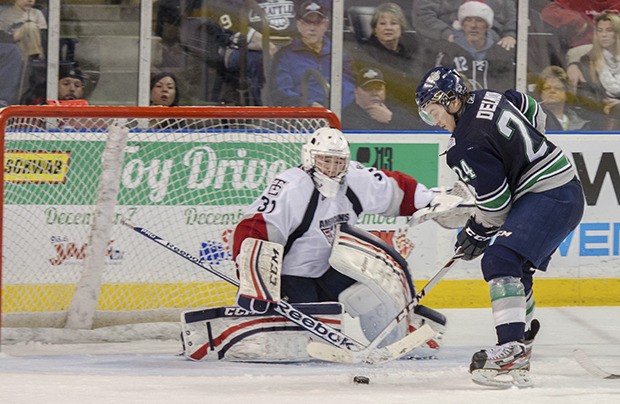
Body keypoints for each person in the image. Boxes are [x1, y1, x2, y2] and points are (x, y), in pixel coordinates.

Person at [228, 127, 465, 360]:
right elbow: (253, 229)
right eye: (325, 161)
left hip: (333, 267)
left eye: (338, 162)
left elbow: (394, 190)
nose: (332, 169)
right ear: (310, 159)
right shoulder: (291, 187)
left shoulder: (354, 178)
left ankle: (394, 342)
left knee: (371, 293)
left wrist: (432, 200)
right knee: (309, 344)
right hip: (291, 276)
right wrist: (254, 283)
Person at [415, 66, 585, 388]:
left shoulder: (465, 145)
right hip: (562, 189)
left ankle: (512, 349)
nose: (435, 121)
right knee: (515, 264)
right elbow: (534, 113)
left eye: (434, 112)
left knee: (498, 259)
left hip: (550, 195)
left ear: (451, 101)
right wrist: (518, 159)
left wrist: (475, 232)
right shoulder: (489, 97)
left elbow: (496, 207)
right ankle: (522, 337)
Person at [269, 1, 355, 108]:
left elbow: (351, 86)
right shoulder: (284, 56)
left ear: (326, 25)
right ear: (299, 25)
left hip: (341, 114)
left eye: (318, 23)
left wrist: (338, 108)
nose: (312, 28)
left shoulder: (339, 53)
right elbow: (280, 93)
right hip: (305, 117)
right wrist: (309, 105)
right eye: (307, 23)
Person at [350, 2, 430, 113]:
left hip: (412, 111)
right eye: (382, 23)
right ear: (375, 29)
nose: (388, 28)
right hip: (383, 112)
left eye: (393, 23)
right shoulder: (365, 54)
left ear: (401, 28)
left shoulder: (413, 52)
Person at [434, 0, 516, 92]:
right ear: (462, 25)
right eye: (468, 20)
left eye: (479, 20)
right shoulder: (448, 53)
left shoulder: (500, 54)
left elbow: (508, 87)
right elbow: (438, 88)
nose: (473, 25)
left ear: (487, 26)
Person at [566, 13, 620, 130]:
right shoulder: (586, 62)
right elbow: (582, 100)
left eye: (609, 30)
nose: (604, 35)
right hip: (600, 124)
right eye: (600, 30)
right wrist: (602, 106)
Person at [411, 0, 517, 51]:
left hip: (493, 50)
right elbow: (422, 16)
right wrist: (448, 35)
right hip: (445, 49)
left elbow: (513, 17)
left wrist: (510, 35)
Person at [342, 66, 423, 130]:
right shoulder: (347, 116)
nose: (374, 93)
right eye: (368, 88)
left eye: (378, 88)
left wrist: (392, 118)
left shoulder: (394, 110)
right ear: (356, 92)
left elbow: (421, 128)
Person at [541, 0, 620, 65]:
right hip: (583, 50)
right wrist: (576, 20)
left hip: (614, 51)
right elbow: (548, 12)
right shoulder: (575, 2)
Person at [536, 65, 591, 131]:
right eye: (547, 88)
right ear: (541, 94)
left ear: (566, 94)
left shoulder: (581, 125)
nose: (552, 91)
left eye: (557, 88)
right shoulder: (533, 120)